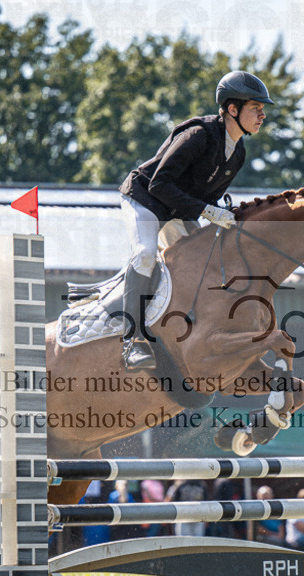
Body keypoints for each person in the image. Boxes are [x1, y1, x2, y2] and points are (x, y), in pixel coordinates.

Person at [117, 70, 274, 371]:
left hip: (177, 211)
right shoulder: (199, 134)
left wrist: (224, 214)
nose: (262, 115)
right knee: (146, 254)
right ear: (233, 109)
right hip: (145, 200)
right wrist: (208, 211)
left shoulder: (237, 152)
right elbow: (159, 185)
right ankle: (132, 341)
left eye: (262, 110)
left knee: (204, 266)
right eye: (256, 108)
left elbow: (206, 197)